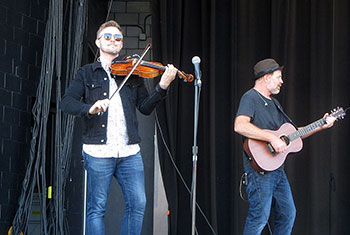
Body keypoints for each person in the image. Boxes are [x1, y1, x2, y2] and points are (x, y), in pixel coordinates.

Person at [60, 20, 177, 235]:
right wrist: (90, 108)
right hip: (98, 151)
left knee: (138, 204)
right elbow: (66, 103)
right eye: (108, 37)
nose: (113, 40)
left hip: (129, 151)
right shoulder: (86, 73)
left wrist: (162, 86)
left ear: (121, 45)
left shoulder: (131, 73)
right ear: (98, 42)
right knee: (97, 208)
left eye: (117, 38)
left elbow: (145, 108)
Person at [234, 58, 336, 235]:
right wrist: (271, 138)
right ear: (266, 78)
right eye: (278, 77)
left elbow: (293, 134)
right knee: (259, 218)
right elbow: (240, 125)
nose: (282, 81)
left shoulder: (275, 103)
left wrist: (321, 124)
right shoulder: (250, 97)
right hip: (259, 172)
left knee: (289, 213)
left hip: (277, 170)